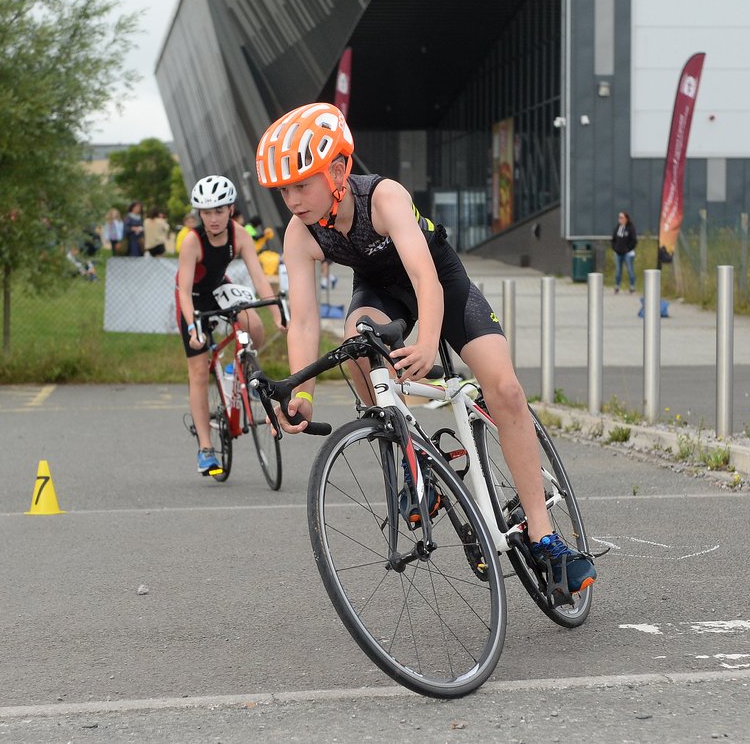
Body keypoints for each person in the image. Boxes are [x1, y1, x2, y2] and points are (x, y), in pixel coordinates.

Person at [255, 102, 595, 595]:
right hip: (382, 295)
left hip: (441, 285)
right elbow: (304, 320)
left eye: (301, 184)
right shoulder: (300, 233)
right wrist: (301, 393)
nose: (292, 199)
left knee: (504, 388)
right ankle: (406, 447)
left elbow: (426, 279)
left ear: (337, 170)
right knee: (356, 337)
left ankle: (544, 537)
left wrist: (426, 342)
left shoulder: (384, 196)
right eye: (283, 190)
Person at [176, 175, 283, 476]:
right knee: (198, 372)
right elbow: (183, 290)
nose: (212, 219)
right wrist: (194, 327)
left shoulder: (239, 234)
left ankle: (236, 368)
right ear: (199, 214)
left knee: (253, 323)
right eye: (206, 213)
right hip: (193, 300)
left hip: (219, 288)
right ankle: (206, 448)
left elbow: (259, 276)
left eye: (219, 211)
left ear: (231, 209)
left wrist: (275, 312)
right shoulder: (191, 241)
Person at [611, 210, 638, 294]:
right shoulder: (618, 227)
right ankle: (617, 286)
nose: (620, 219)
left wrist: (628, 249)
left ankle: (632, 286)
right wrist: (614, 248)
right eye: (619, 217)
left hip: (628, 253)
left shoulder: (630, 227)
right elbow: (613, 239)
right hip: (618, 252)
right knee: (618, 270)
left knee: (630, 270)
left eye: (622, 217)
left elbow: (634, 240)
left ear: (626, 218)